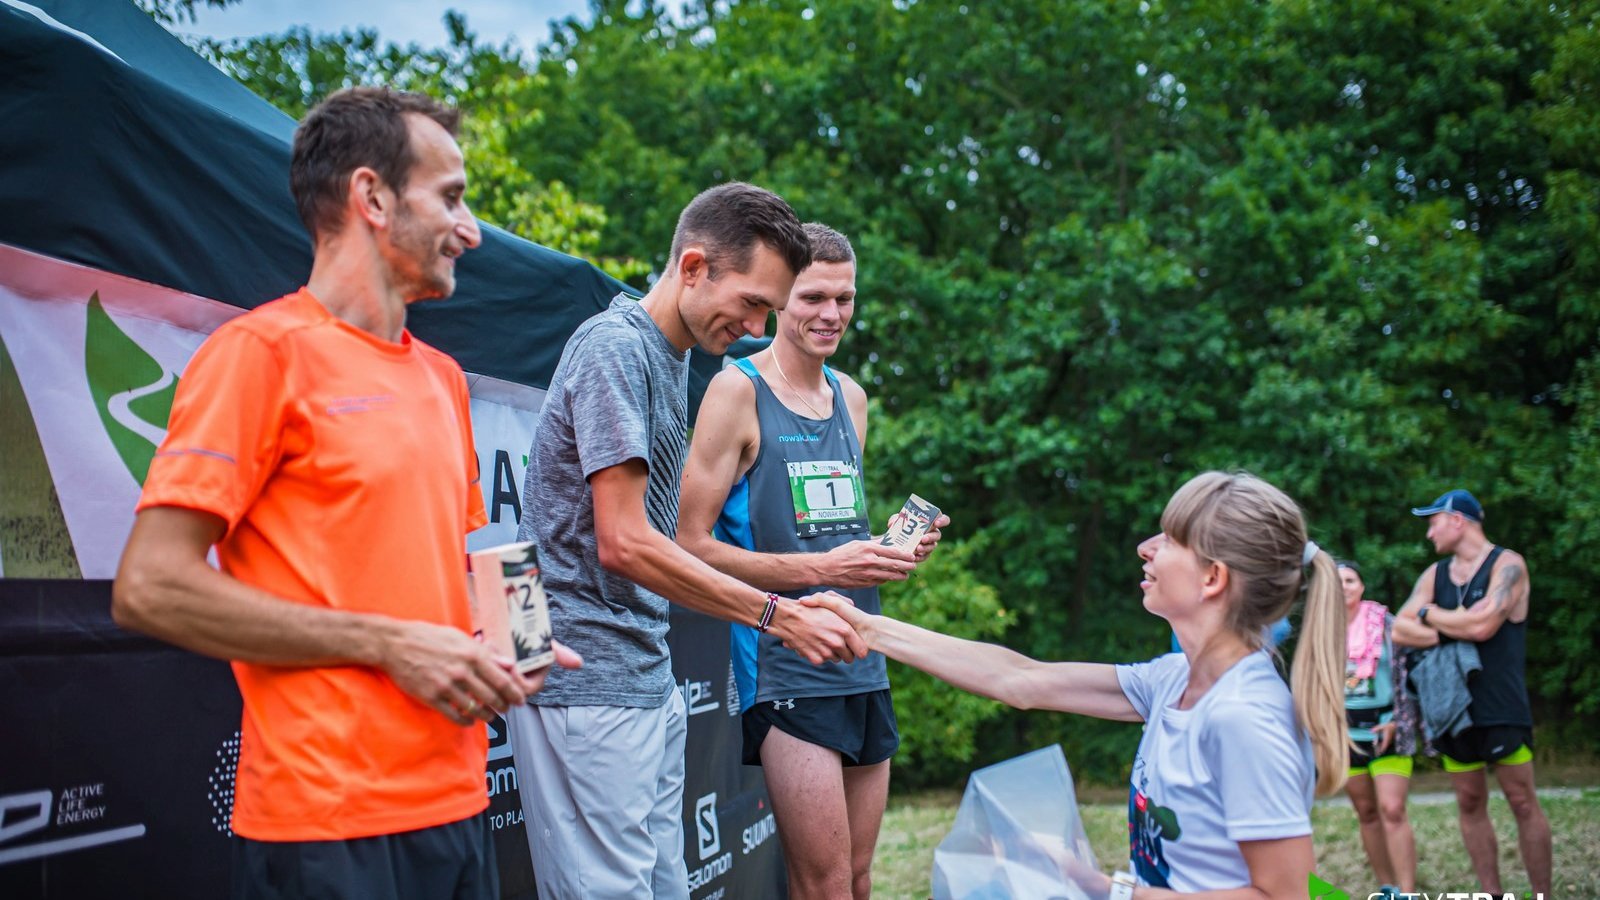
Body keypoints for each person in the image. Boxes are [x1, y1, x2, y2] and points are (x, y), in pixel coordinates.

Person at [112, 87, 577, 899]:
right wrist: (392, 644)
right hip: (324, 825)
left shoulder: (443, 379)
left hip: (457, 805)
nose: (469, 231)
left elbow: (457, 559)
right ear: (371, 196)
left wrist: (518, 641)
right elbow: (149, 588)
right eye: (453, 198)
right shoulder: (259, 353)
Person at [508, 184, 868, 899]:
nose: (760, 325)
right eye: (755, 302)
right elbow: (626, 543)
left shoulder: (671, 360)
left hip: (643, 672)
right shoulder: (614, 348)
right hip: (584, 677)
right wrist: (778, 612)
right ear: (695, 266)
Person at [809, 471, 1348, 898]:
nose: (1145, 547)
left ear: (1213, 578)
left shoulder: (1244, 716)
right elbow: (1020, 679)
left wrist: (1099, 889)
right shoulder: (1173, 680)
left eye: (1171, 539)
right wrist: (867, 627)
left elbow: (1283, 895)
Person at [676, 223, 949, 900]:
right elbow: (689, 546)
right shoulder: (735, 390)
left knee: (857, 877)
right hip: (784, 662)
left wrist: (889, 546)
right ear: (778, 300)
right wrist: (827, 569)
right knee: (822, 882)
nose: (832, 314)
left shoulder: (851, 397)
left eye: (846, 298)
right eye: (814, 297)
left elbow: (827, 528)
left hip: (864, 652)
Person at [1391, 489, 1552, 896]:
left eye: (1433, 522)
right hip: (1449, 709)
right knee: (1468, 802)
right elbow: (1397, 628)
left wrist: (1428, 617)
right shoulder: (1434, 575)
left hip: (1501, 706)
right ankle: (1491, 893)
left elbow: (1484, 628)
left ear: (1456, 520)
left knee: (1522, 801)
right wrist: (1448, 619)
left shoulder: (1509, 565)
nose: (1429, 533)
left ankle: (1543, 895)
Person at [1337, 560, 1417, 899]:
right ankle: (1388, 889)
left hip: (1386, 728)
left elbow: (1412, 672)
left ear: (1362, 585)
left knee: (1392, 809)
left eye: (1351, 580)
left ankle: (1409, 892)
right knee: (1367, 812)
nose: (1344, 587)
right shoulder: (1323, 629)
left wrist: (1401, 719)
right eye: (1337, 582)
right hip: (1345, 735)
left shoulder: (1387, 625)